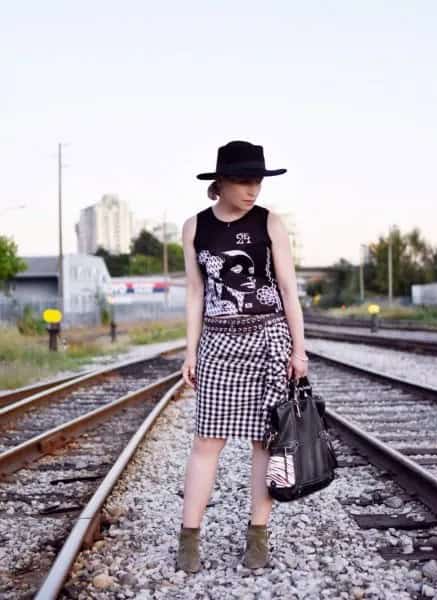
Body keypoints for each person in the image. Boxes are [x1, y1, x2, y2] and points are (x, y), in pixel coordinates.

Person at [177, 140, 308, 573]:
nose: (253, 189)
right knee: (206, 442)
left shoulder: (270, 222)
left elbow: (288, 289)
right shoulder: (195, 227)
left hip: (268, 339)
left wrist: (299, 349)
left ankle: (257, 538)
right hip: (218, 341)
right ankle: (189, 542)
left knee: (263, 443)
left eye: (257, 181)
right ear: (221, 183)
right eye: (243, 181)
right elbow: (197, 292)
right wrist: (190, 350)